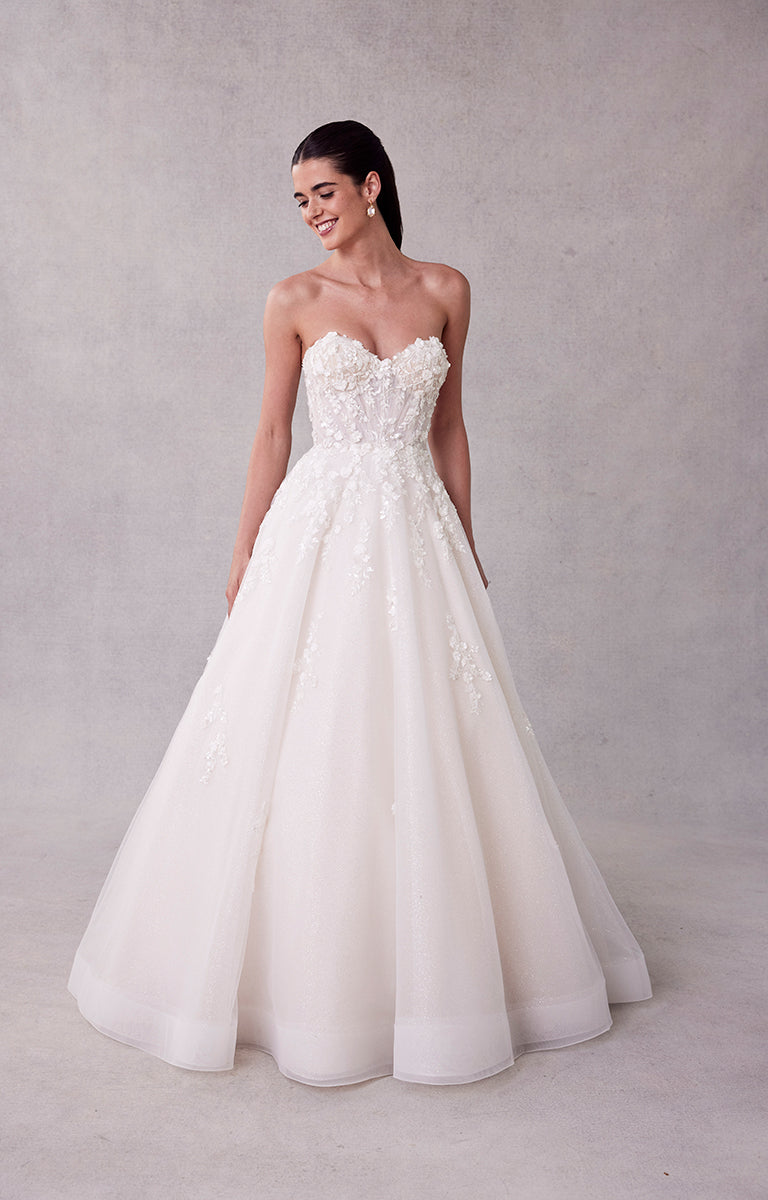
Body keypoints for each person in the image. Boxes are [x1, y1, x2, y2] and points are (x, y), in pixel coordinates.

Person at [68, 120, 651, 1087]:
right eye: (299, 200)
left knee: (430, 729)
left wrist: (467, 540)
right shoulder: (293, 299)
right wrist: (243, 548)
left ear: (372, 186)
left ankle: (439, 968)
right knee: (308, 727)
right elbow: (269, 433)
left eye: (324, 194)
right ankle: (294, 974)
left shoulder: (447, 289)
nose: (312, 215)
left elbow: (453, 427)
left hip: (416, 530)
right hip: (321, 528)